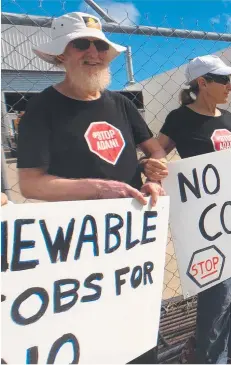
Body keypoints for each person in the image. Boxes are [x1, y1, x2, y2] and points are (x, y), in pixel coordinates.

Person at [16, 12, 166, 364]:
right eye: (81, 43)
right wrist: (95, 188)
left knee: (139, 336)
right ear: (60, 55)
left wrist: (154, 176)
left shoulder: (122, 104)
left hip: (130, 241)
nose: (93, 52)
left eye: (100, 45)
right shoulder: (41, 108)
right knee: (89, 338)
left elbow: (154, 149)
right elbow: (30, 183)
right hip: (76, 247)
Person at [149, 55, 231, 364]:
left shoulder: (228, 117)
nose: (229, 86)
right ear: (203, 83)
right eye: (223, 80)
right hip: (207, 223)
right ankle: (212, 356)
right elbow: (157, 154)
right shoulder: (179, 118)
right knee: (219, 293)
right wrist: (154, 170)